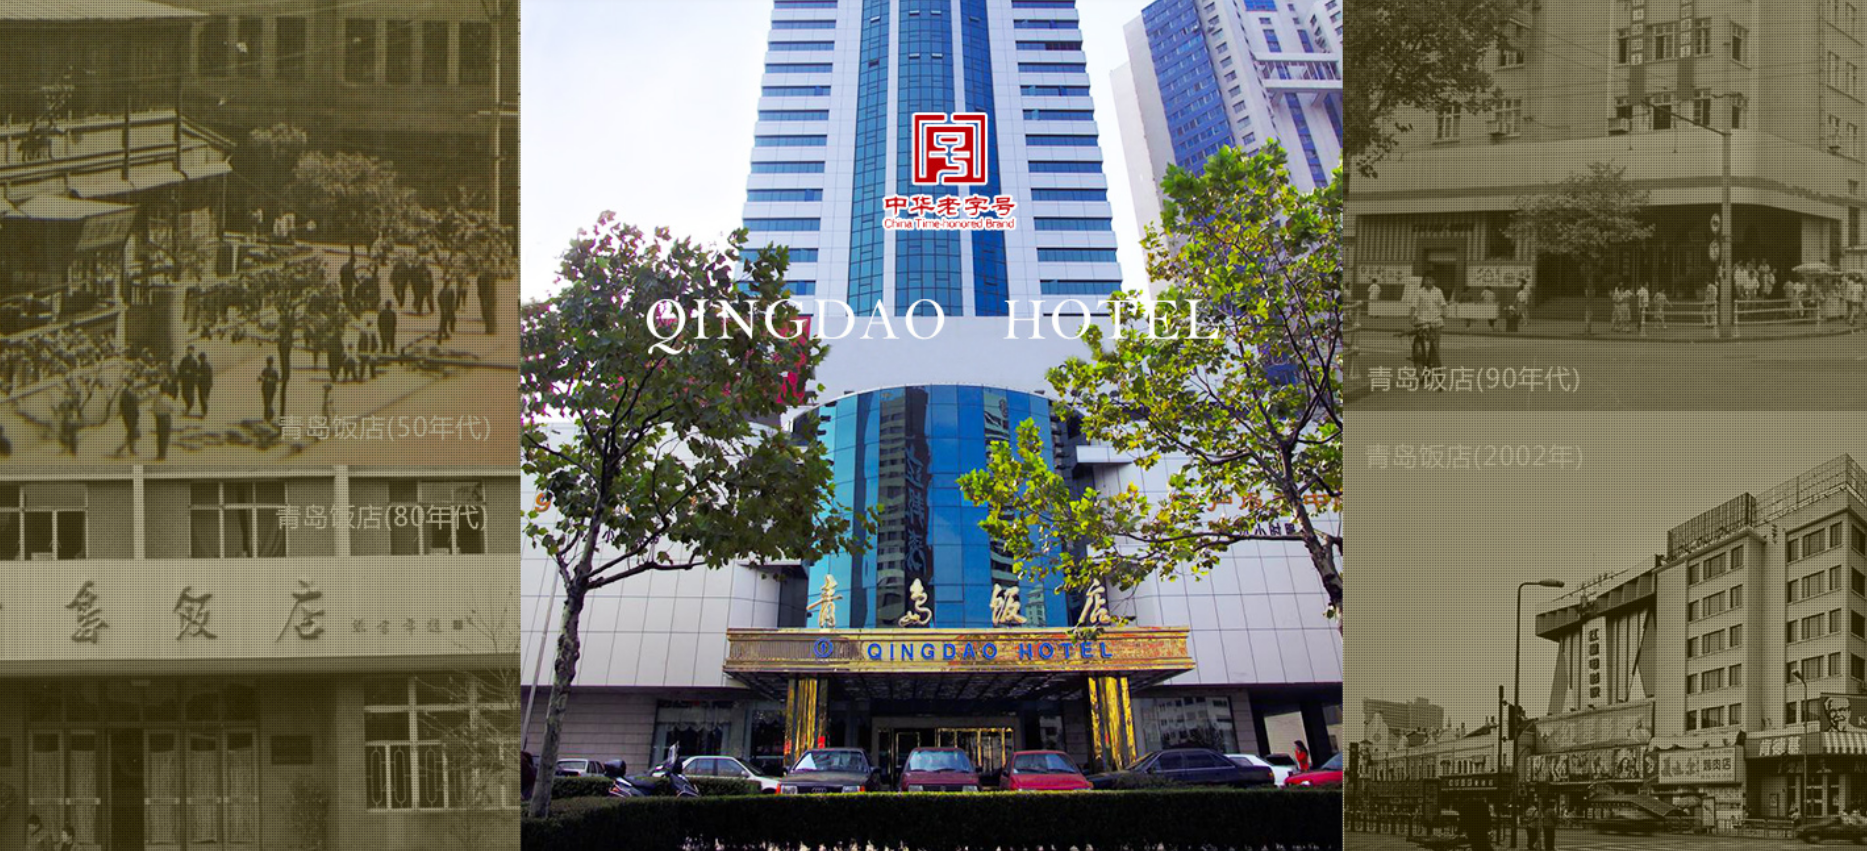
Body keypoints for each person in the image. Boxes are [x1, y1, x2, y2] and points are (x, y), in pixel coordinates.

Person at [1407, 276, 1448, 371]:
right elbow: (1413, 305)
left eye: (1430, 279)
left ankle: (1434, 364)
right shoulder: (1419, 292)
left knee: (1435, 345)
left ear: (1434, 281)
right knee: (1420, 341)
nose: (1427, 281)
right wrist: (1411, 317)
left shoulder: (1438, 291)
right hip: (1422, 321)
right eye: (1426, 280)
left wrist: (1444, 313)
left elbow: (1443, 305)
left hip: (1436, 320)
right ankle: (1418, 358)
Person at [152, 381, 175, 461]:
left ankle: (159, 454)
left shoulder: (156, 397)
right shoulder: (168, 398)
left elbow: (153, 407)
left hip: (158, 418)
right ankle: (163, 455)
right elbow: (172, 409)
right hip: (166, 418)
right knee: (165, 437)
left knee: (160, 436)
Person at [115, 384, 140, 457]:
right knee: (133, 433)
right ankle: (122, 448)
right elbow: (136, 402)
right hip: (131, 415)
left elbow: (121, 405)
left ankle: (130, 449)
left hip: (126, 415)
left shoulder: (123, 394)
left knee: (131, 432)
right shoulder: (130, 394)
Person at [177, 346, 198, 416]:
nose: (190, 352)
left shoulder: (194, 361)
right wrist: (182, 374)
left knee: (190, 394)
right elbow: (180, 368)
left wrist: (194, 378)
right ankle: (188, 407)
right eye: (188, 350)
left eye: (191, 350)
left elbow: (196, 371)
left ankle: (189, 408)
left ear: (193, 351)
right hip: (185, 380)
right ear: (186, 351)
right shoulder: (184, 360)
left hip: (191, 380)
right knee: (184, 394)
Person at [259, 356, 280, 423]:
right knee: (269, 402)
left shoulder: (265, 370)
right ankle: (268, 415)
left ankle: (267, 416)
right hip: (272, 388)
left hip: (266, 388)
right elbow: (277, 380)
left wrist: (262, 379)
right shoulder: (274, 371)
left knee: (266, 402)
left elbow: (261, 378)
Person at [477, 269, 498, 334]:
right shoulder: (486, 278)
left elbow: (487, 290)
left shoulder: (487, 279)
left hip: (488, 299)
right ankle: (489, 329)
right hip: (489, 299)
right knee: (488, 314)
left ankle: (491, 330)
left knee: (489, 314)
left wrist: (485, 299)